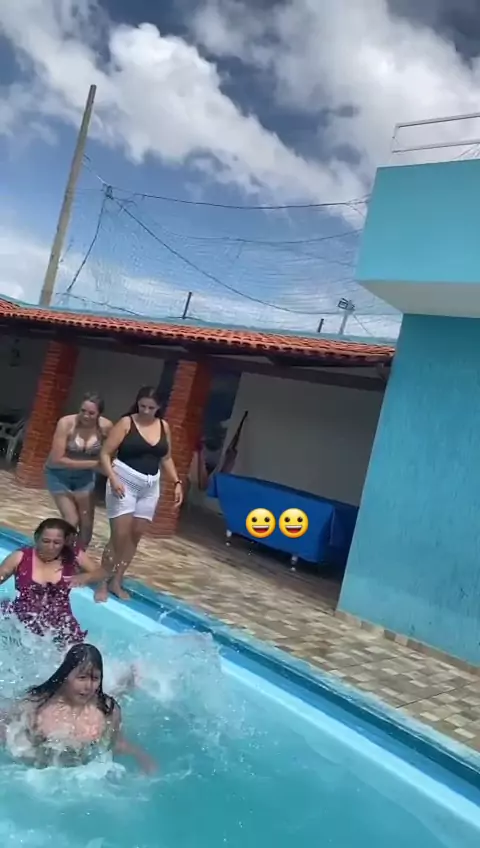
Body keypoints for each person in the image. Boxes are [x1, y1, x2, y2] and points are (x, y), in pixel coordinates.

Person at [1, 643, 156, 772]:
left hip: (75, 773)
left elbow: (117, 744)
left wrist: (141, 757)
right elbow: (6, 728)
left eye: (95, 678)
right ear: (65, 676)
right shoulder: (36, 703)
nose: (88, 686)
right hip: (37, 770)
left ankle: (129, 682)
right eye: (82, 678)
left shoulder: (108, 709)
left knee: (118, 695)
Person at [95, 386, 183, 603]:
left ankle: (117, 580)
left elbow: (166, 458)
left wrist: (177, 482)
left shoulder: (163, 426)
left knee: (135, 535)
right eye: (142, 406)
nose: (145, 411)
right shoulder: (126, 423)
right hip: (123, 481)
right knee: (119, 536)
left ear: (159, 407)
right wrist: (113, 478)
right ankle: (102, 581)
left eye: (150, 408)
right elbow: (105, 453)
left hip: (150, 486)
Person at [0, 517, 104, 647]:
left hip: (61, 624)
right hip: (22, 621)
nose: (50, 547)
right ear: (37, 538)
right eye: (46, 541)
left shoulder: (73, 556)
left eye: (57, 543)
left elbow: (102, 573)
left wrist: (87, 577)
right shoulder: (20, 557)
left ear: (64, 542)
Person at [44, 393, 112, 547]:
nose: (86, 416)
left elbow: (109, 453)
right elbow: (57, 459)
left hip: (84, 478)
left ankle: (78, 556)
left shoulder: (106, 427)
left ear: (99, 414)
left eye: (91, 413)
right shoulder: (66, 423)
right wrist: (94, 465)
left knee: (86, 525)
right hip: (59, 475)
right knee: (71, 520)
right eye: (83, 411)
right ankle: (61, 553)